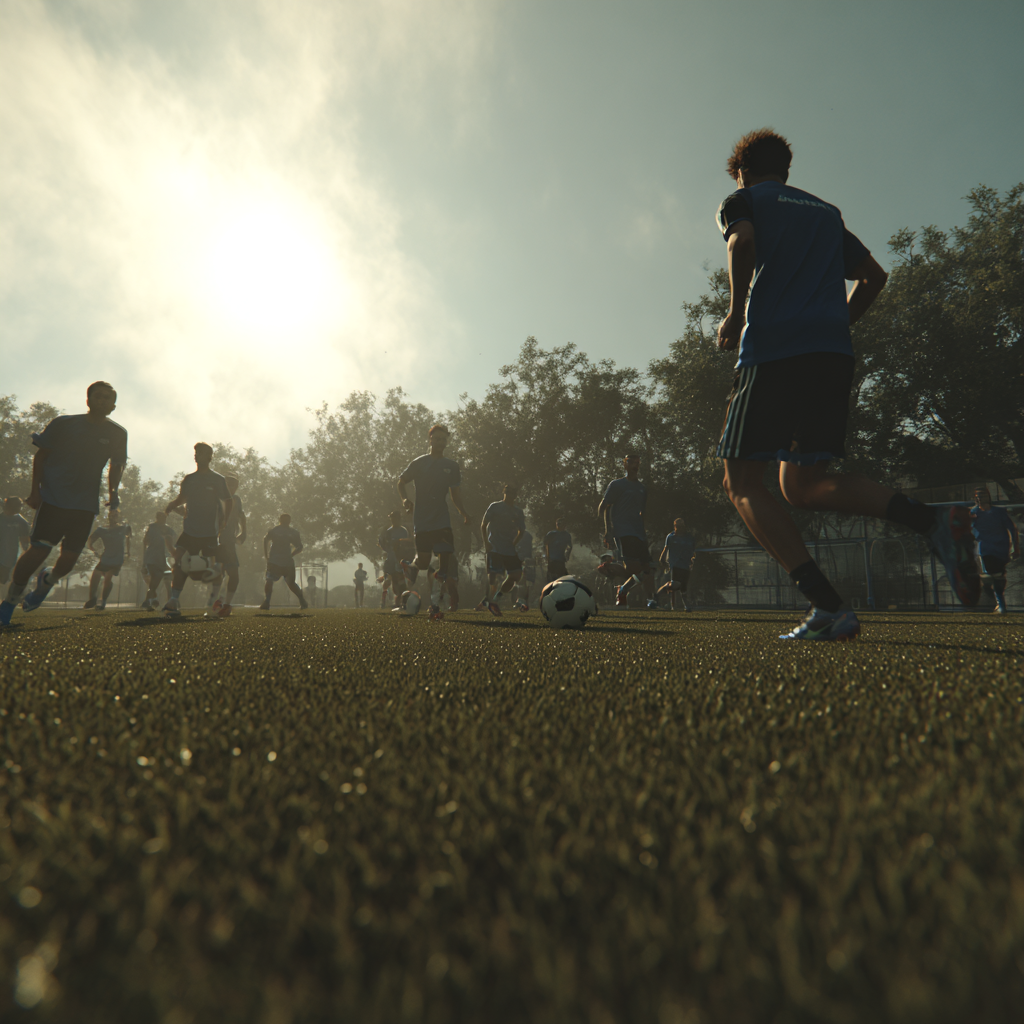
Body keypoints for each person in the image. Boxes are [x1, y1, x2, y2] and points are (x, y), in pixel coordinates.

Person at [714, 128, 974, 640]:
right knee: (803, 485)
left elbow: (742, 241)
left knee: (740, 483)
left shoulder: (741, 200)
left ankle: (829, 607)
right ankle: (931, 521)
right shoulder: (825, 212)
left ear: (742, 169)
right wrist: (833, 326)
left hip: (774, 352)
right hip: (831, 357)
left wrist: (734, 313)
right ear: (785, 171)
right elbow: (874, 276)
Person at [1, 382, 127, 627]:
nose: (102, 401)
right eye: (98, 396)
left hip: (85, 505)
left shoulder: (118, 433)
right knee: (38, 551)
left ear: (113, 406)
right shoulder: (63, 424)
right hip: (54, 499)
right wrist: (34, 491)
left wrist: (114, 495)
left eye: (108, 398)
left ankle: (46, 583)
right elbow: (41, 455)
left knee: (68, 560)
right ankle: (8, 603)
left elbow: (117, 465)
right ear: (88, 400)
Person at [396, 424, 470, 620]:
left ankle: (435, 606)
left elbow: (455, 494)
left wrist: (463, 512)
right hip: (422, 521)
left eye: (443, 439)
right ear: (430, 440)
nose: (440, 442)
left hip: (442, 521)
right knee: (423, 563)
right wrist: (405, 499)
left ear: (447, 441)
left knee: (444, 565)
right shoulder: (419, 463)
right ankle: (410, 567)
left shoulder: (452, 466)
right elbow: (401, 481)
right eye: (436, 438)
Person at [163, 442, 232, 619]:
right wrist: (173, 504)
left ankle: (214, 603)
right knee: (178, 562)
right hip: (189, 531)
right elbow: (183, 497)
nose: (196, 455)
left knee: (216, 568)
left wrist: (224, 521)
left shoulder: (218, 479)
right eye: (195, 452)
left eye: (200, 452)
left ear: (209, 457)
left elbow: (228, 500)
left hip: (209, 533)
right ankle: (173, 601)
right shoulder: (189, 479)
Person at [599, 453, 658, 609]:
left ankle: (639, 596)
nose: (635, 465)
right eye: (631, 462)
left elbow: (642, 513)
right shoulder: (617, 485)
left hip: (638, 532)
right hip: (623, 531)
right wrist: (608, 531)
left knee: (647, 570)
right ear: (625, 465)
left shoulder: (641, 488)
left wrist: (644, 532)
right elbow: (603, 507)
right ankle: (609, 568)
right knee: (633, 568)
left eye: (638, 462)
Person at [970, 487, 1019, 614]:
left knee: (999, 575)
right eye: (978, 496)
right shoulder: (974, 513)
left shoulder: (999, 512)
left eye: (983, 496)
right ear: (976, 499)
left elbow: (1012, 528)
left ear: (989, 497)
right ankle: (1000, 603)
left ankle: (999, 603)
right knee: (992, 575)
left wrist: (1015, 547)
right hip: (986, 549)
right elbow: (966, 530)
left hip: (1001, 548)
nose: (981, 498)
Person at [479, 484, 526, 616]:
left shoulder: (518, 512)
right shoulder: (495, 506)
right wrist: (486, 542)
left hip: (509, 550)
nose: (509, 496)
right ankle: (489, 602)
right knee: (495, 577)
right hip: (495, 547)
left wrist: (513, 544)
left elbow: (521, 531)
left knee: (516, 575)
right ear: (504, 493)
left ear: (515, 496)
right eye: (507, 493)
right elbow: (483, 524)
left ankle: (495, 599)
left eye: (512, 494)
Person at [206, 475, 246, 618]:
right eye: (228, 485)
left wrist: (243, 532)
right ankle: (215, 604)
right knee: (219, 574)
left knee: (233, 574)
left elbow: (242, 516)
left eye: (234, 486)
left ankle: (224, 604)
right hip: (216, 541)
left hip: (228, 542)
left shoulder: (236, 499)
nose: (231, 488)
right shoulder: (215, 499)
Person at [84, 508, 132, 610]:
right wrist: (94, 550)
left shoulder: (124, 528)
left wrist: (128, 553)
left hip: (118, 557)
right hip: (106, 557)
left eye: (115, 515)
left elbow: (128, 539)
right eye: (111, 515)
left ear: (118, 517)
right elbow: (90, 541)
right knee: (96, 575)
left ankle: (102, 602)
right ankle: (92, 599)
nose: (113, 517)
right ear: (108, 516)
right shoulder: (102, 530)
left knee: (108, 576)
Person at [261, 513, 307, 610]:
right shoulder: (274, 530)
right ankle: (267, 601)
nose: (285, 522)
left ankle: (302, 600)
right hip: (274, 561)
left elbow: (299, 547)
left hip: (287, 562)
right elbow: (265, 540)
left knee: (291, 583)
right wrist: (267, 556)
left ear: (289, 521)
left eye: (287, 520)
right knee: (269, 580)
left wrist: (291, 555)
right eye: (284, 520)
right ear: (280, 520)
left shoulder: (293, 532)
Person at [657, 518, 696, 611]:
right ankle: (657, 595)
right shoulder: (670, 537)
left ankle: (686, 606)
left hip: (686, 564)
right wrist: (662, 559)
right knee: (675, 584)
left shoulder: (688, 537)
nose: (680, 528)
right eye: (678, 526)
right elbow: (666, 548)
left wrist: (692, 559)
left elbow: (693, 550)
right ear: (675, 526)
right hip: (675, 564)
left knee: (684, 586)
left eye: (681, 526)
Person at [141, 511, 177, 610]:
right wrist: (143, 560)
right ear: (157, 517)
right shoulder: (152, 527)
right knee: (155, 576)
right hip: (152, 556)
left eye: (164, 517)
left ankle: (149, 600)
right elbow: (145, 541)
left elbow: (174, 540)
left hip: (162, 558)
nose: (162, 519)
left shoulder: (168, 529)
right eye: (160, 517)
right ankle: (150, 600)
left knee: (156, 579)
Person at [377, 510, 410, 609]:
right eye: (391, 518)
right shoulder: (388, 531)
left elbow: (408, 542)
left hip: (400, 559)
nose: (392, 520)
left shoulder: (403, 530)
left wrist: (399, 542)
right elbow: (384, 544)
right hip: (390, 559)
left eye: (394, 518)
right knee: (388, 580)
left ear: (398, 518)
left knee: (400, 581)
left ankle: (402, 602)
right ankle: (383, 601)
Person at [0, 497, 31, 586]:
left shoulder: (22, 522)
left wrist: (26, 557)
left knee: (3, 581)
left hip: (9, 558)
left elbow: (24, 541)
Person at [513, 528, 536, 611]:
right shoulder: (525, 535)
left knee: (525, 582)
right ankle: (520, 601)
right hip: (520, 560)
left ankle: (523, 601)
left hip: (524, 560)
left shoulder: (525, 535)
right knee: (521, 582)